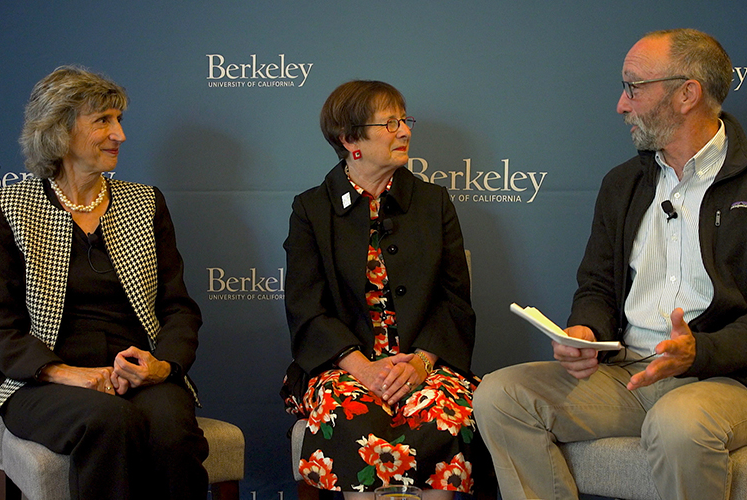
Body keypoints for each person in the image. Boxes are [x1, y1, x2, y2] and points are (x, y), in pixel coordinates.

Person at [473, 28, 747, 500]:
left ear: (687, 94)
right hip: (626, 373)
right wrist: (583, 332)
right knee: (500, 395)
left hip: (722, 377)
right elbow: (597, 285)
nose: (621, 105)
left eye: (633, 87)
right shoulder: (623, 183)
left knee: (677, 424)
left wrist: (698, 353)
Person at [0, 66, 208, 499]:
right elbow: (0, 324)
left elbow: (177, 308)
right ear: (59, 129)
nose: (120, 135)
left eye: (120, 120)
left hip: (138, 372)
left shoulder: (144, 201)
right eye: (103, 121)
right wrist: (63, 372)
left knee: (170, 429)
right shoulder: (10, 205)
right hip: (43, 381)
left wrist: (162, 366)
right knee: (111, 421)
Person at [281, 80, 478, 498]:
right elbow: (306, 309)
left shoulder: (433, 202)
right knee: (354, 415)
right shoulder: (311, 210)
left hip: (424, 363)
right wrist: (365, 369)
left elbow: (454, 300)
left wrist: (421, 364)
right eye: (389, 123)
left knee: (442, 413)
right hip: (343, 367)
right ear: (350, 138)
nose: (405, 131)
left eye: (404, 120)